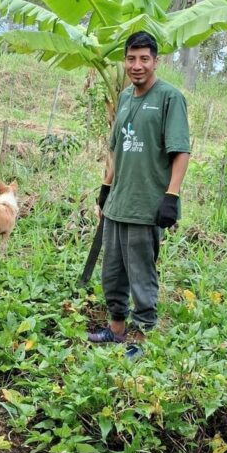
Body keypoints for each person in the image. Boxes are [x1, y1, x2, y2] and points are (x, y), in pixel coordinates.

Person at [88, 31, 190, 357]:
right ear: (125, 60)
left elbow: (181, 151)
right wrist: (106, 188)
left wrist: (171, 196)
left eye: (144, 58)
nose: (137, 65)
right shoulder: (124, 98)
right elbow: (117, 149)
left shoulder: (170, 98)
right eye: (131, 58)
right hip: (119, 203)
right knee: (112, 273)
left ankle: (142, 338)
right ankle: (116, 330)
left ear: (155, 61)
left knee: (141, 275)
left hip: (147, 206)